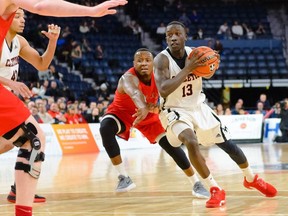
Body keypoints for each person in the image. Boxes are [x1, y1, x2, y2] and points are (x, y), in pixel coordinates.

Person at [153, 21, 277, 208]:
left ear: (185, 36)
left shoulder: (195, 53)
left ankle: (251, 178)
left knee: (228, 145)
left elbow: (207, 74)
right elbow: (163, 90)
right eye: (169, 35)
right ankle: (214, 189)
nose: (173, 37)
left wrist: (211, 64)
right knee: (191, 140)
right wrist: (189, 68)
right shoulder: (161, 60)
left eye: (177, 33)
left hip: (198, 106)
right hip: (175, 109)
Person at [99, 48, 209, 198]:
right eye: (139, 60)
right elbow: (135, 93)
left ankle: (196, 183)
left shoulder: (160, 77)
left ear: (153, 63)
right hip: (122, 114)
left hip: (149, 116)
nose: (143, 63)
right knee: (105, 127)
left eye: (147, 60)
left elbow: (166, 100)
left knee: (171, 146)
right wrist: (143, 106)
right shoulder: (127, 78)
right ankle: (124, 177)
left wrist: (155, 109)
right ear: (134, 63)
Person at [0, 8, 59, 215]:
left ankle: (19, 190)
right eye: (17, 16)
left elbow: (42, 64)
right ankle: (22, 200)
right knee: (32, 139)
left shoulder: (20, 42)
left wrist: (52, 42)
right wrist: (10, 83)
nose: (22, 20)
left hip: (5, 104)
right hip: (2, 99)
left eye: (24, 16)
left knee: (17, 142)